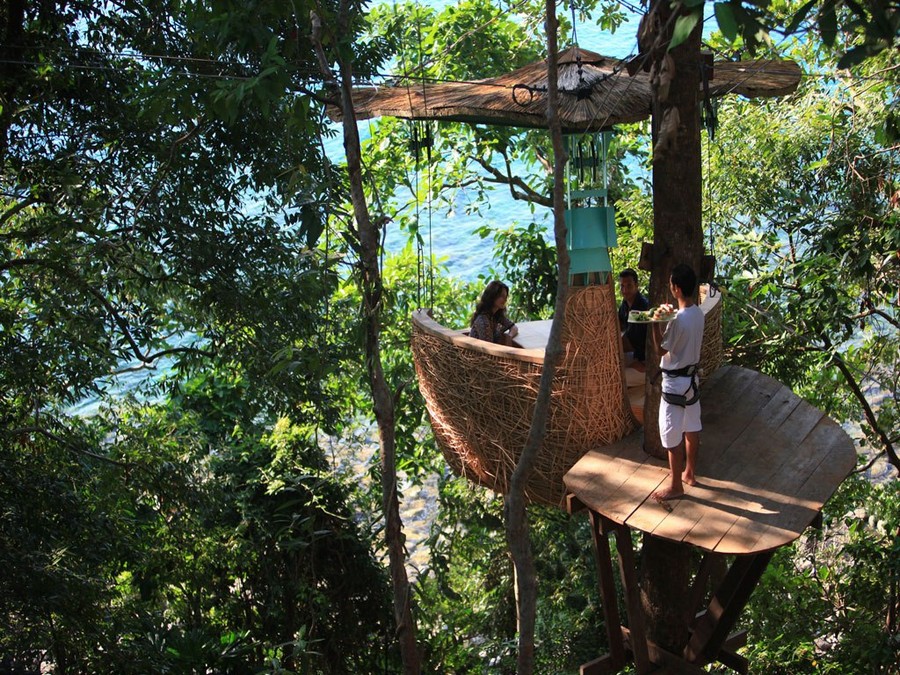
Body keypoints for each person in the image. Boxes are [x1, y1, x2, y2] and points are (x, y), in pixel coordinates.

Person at [652, 263, 704, 502]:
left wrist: (655, 322)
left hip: (674, 383)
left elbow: (661, 352)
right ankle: (689, 473)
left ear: (677, 289)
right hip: (692, 379)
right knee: (692, 426)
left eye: (672, 284)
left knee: (671, 434)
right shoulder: (697, 313)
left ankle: (675, 485)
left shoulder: (678, 321)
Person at [618, 268, 650, 369]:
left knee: (618, 378)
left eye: (629, 286)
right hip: (634, 355)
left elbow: (629, 343)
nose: (625, 290)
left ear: (636, 286)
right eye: (622, 286)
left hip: (644, 361)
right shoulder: (625, 304)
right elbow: (618, 325)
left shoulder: (643, 307)